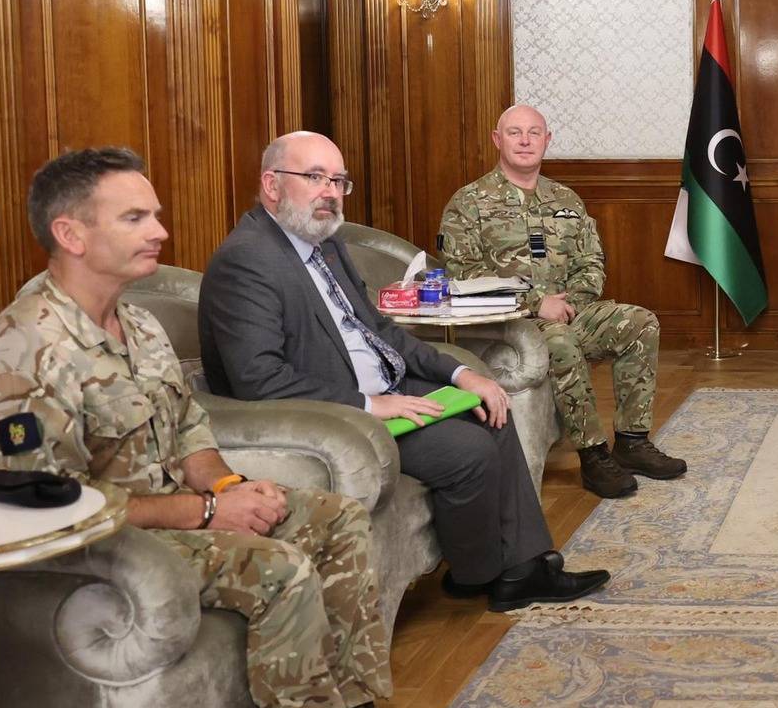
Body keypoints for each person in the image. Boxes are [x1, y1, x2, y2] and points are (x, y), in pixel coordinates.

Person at [0, 147, 458, 708]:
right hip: (104, 546)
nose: (160, 231)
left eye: (156, 214)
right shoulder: (25, 350)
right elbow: (50, 507)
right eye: (135, 217)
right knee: (277, 567)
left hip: (175, 512)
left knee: (336, 518)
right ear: (71, 233)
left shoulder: (136, 322)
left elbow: (189, 427)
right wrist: (211, 511)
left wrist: (228, 485)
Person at [198, 132, 609, 613]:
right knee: (469, 449)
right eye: (314, 178)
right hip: (333, 414)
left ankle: (521, 569)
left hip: (382, 384)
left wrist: (460, 374)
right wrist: (370, 405)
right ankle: (482, 574)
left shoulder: (326, 245)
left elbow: (380, 330)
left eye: (338, 181)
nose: (330, 192)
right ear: (272, 184)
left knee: (490, 407)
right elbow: (258, 379)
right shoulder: (247, 260)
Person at [439, 105, 685, 500]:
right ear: (497, 140)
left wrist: (569, 306)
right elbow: (463, 274)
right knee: (558, 340)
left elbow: (591, 262)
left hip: (569, 312)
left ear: (547, 140)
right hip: (510, 322)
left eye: (534, 133)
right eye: (515, 132)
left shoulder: (565, 198)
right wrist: (537, 304)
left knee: (640, 322)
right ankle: (593, 454)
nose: (525, 141)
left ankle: (632, 441)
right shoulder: (469, 203)